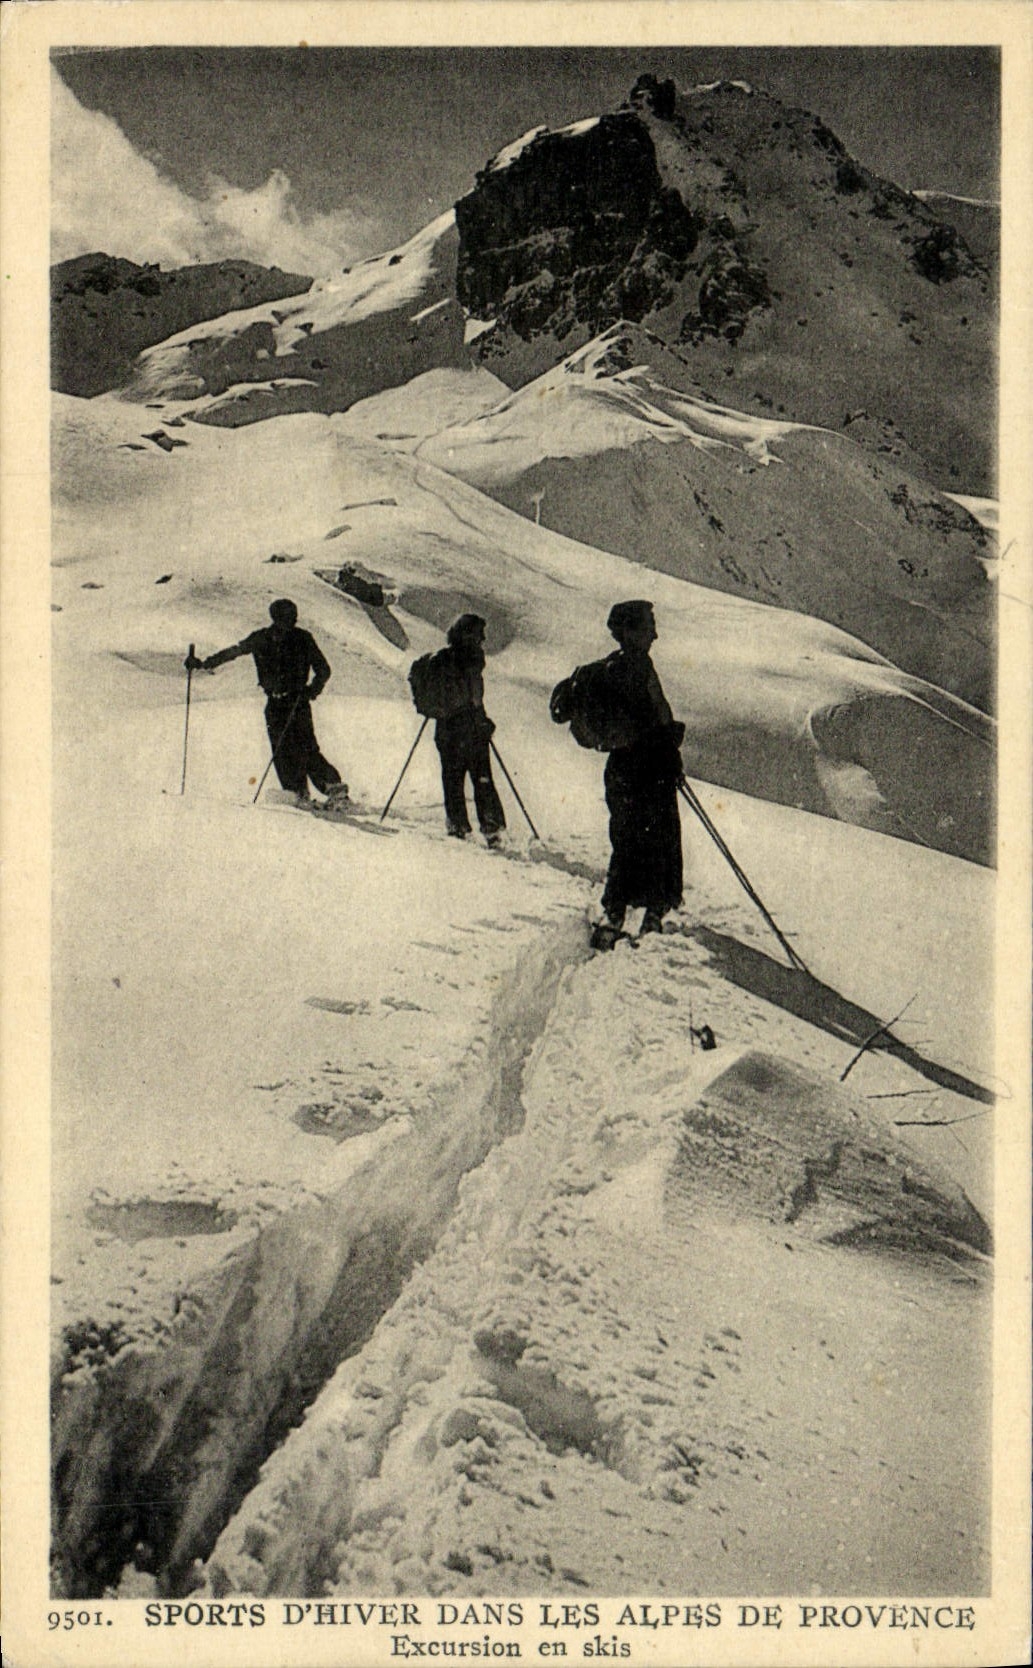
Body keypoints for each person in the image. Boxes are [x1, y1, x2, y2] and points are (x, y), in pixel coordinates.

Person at [185, 599, 347, 803]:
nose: (292, 622)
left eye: (293, 618)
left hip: (297, 702)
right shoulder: (264, 638)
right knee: (282, 751)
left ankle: (332, 789)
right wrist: (203, 664)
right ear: (276, 618)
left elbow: (323, 670)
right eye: (288, 618)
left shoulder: (300, 638)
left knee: (305, 747)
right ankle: (297, 793)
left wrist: (311, 691)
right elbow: (234, 652)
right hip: (277, 704)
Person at [593, 600, 684, 949]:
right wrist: (670, 747)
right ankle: (653, 912)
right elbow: (658, 716)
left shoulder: (609, 668)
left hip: (620, 768)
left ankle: (614, 911)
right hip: (651, 767)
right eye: (649, 627)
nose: (654, 635)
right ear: (630, 631)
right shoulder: (640, 666)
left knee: (626, 839)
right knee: (659, 838)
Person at [432, 614, 506, 846]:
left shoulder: (442, 658)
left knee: (452, 778)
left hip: (445, 729)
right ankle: (491, 827)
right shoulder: (471, 658)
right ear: (468, 634)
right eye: (479, 633)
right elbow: (475, 698)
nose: (483, 639)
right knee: (481, 776)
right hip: (470, 728)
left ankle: (457, 825)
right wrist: (483, 721)